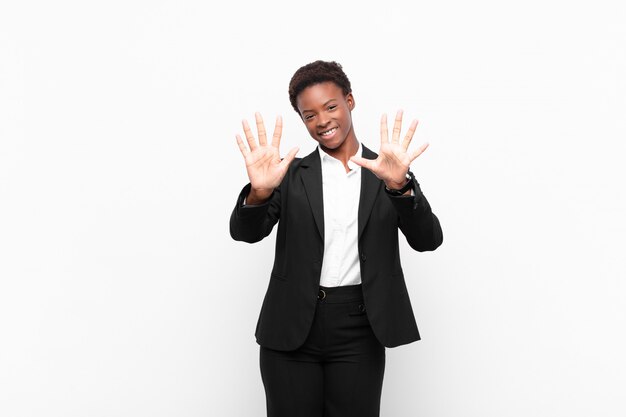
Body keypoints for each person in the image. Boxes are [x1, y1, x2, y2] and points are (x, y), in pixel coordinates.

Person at [230, 60, 443, 417]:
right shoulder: (290, 174)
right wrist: (258, 192)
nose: (323, 120)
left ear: (350, 101)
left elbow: (428, 239)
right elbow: (246, 232)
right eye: (309, 114)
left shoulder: (388, 170)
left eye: (331, 107)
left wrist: (400, 187)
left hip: (359, 326)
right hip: (291, 327)